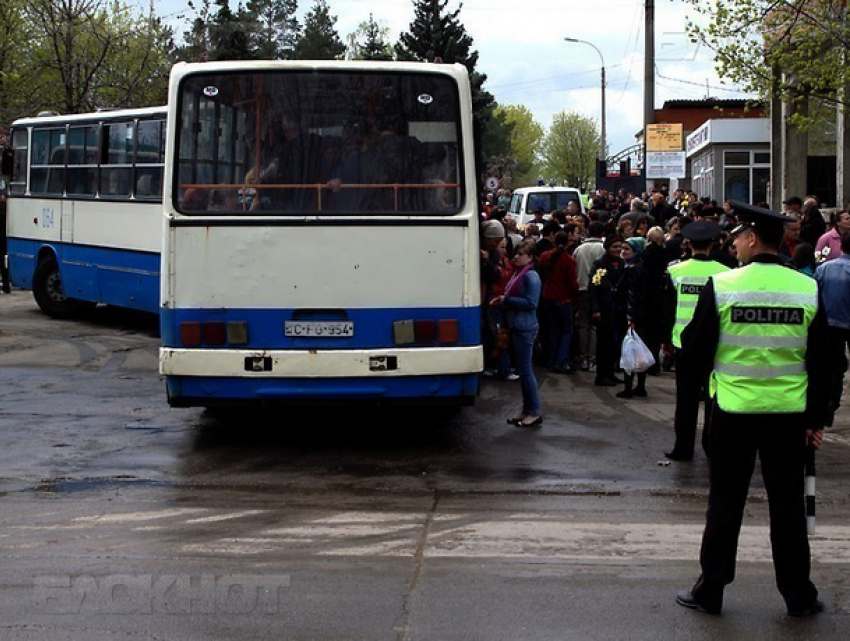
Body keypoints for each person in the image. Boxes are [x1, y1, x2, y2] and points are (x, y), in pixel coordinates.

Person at [676, 201, 829, 618]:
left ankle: (712, 591)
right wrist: (817, 417)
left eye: (738, 235)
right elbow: (827, 360)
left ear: (752, 239)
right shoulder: (806, 287)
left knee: (725, 505)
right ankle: (798, 595)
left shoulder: (724, 286)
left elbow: (694, 348)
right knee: (789, 509)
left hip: (733, 413)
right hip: (788, 416)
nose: (734, 243)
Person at [661, 221, 730, 461]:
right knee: (713, 398)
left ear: (688, 244)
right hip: (715, 344)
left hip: (684, 343)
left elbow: (668, 309)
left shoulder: (676, 271)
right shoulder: (726, 273)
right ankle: (712, 447)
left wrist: (665, 341)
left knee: (686, 399)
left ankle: (683, 447)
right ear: (713, 243)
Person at [490, 239, 543, 427]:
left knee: (526, 371)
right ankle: (527, 409)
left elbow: (531, 303)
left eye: (521, 254)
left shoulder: (530, 276)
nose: (516, 257)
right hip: (516, 325)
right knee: (523, 370)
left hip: (525, 327)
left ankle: (534, 411)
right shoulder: (519, 273)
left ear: (530, 257)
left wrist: (506, 300)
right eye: (517, 254)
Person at [814, 232, 850, 427]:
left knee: (833, 368)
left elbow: (815, 293)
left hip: (829, 324)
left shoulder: (825, 269)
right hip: (843, 321)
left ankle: (830, 405)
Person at [589, 235, 627, 386]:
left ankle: (610, 373)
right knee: (604, 344)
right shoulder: (599, 264)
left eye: (620, 247)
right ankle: (602, 375)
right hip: (605, 309)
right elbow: (594, 287)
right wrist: (595, 309)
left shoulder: (623, 264)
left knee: (615, 343)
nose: (618, 250)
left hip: (618, 310)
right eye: (614, 247)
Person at [538, 231, 579, 374]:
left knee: (553, 330)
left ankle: (551, 359)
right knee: (567, 331)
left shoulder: (545, 257)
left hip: (547, 296)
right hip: (563, 299)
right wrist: (574, 298)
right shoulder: (569, 261)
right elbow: (572, 284)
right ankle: (561, 361)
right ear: (567, 242)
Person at [573, 222, 606, 372]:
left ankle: (583, 356)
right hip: (598, 290)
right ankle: (592, 358)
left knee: (583, 324)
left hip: (582, 289)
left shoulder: (579, 249)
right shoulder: (602, 249)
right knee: (594, 326)